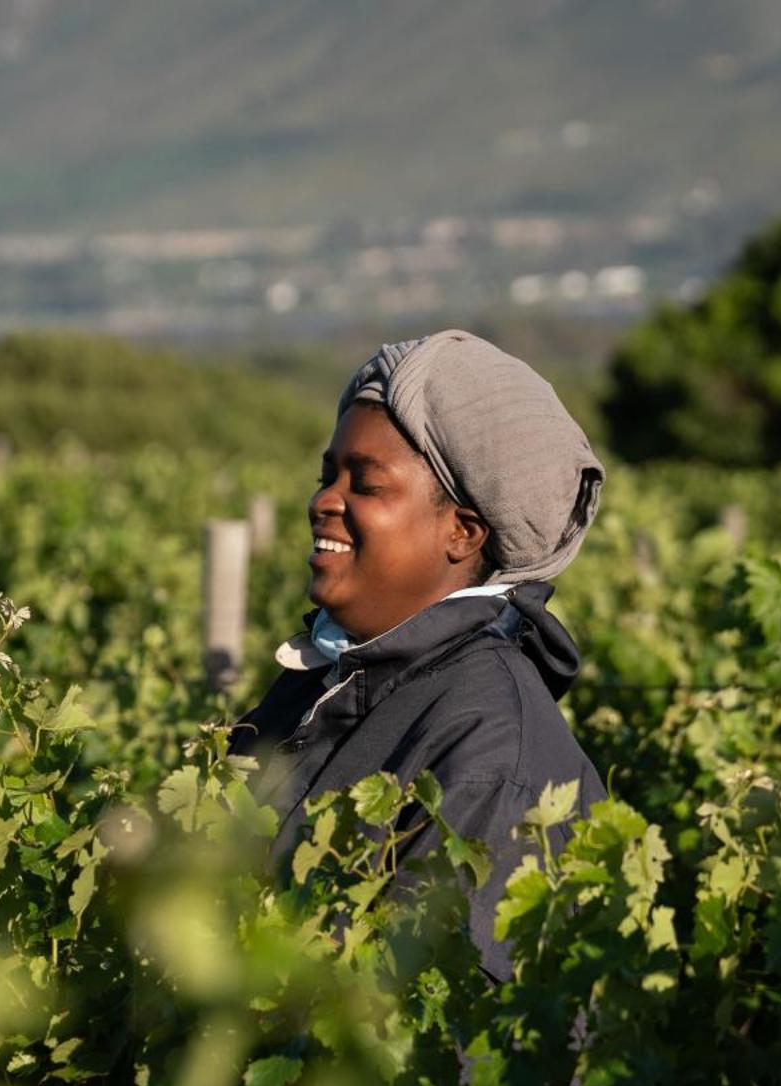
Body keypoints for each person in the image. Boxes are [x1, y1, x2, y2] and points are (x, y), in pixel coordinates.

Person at [231, 329, 607, 980]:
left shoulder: (491, 760)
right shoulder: (322, 684)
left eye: (365, 485)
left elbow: (437, 1047)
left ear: (462, 531)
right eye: (328, 474)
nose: (322, 501)